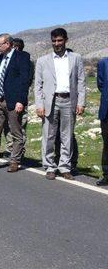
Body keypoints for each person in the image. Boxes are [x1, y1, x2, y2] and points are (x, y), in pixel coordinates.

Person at [34, 28, 85, 180]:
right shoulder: (43, 61)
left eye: (60, 40)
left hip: (69, 100)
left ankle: (64, 167)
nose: (57, 43)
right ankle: (50, 166)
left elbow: (81, 82)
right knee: (48, 136)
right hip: (51, 101)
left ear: (66, 40)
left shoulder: (76, 58)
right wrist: (39, 105)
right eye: (54, 41)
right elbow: (38, 85)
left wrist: (81, 102)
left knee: (67, 136)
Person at [0, 33, 31, 172]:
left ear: (8, 44)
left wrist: (21, 100)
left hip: (13, 100)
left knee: (16, 132)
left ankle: (14, 160)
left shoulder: (22, 57)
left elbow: (24, 80)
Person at [97, 57, 108, 186]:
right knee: (107, 144)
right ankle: (106, 174)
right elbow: (100, 84)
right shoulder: (103, 63)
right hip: (107, 110)